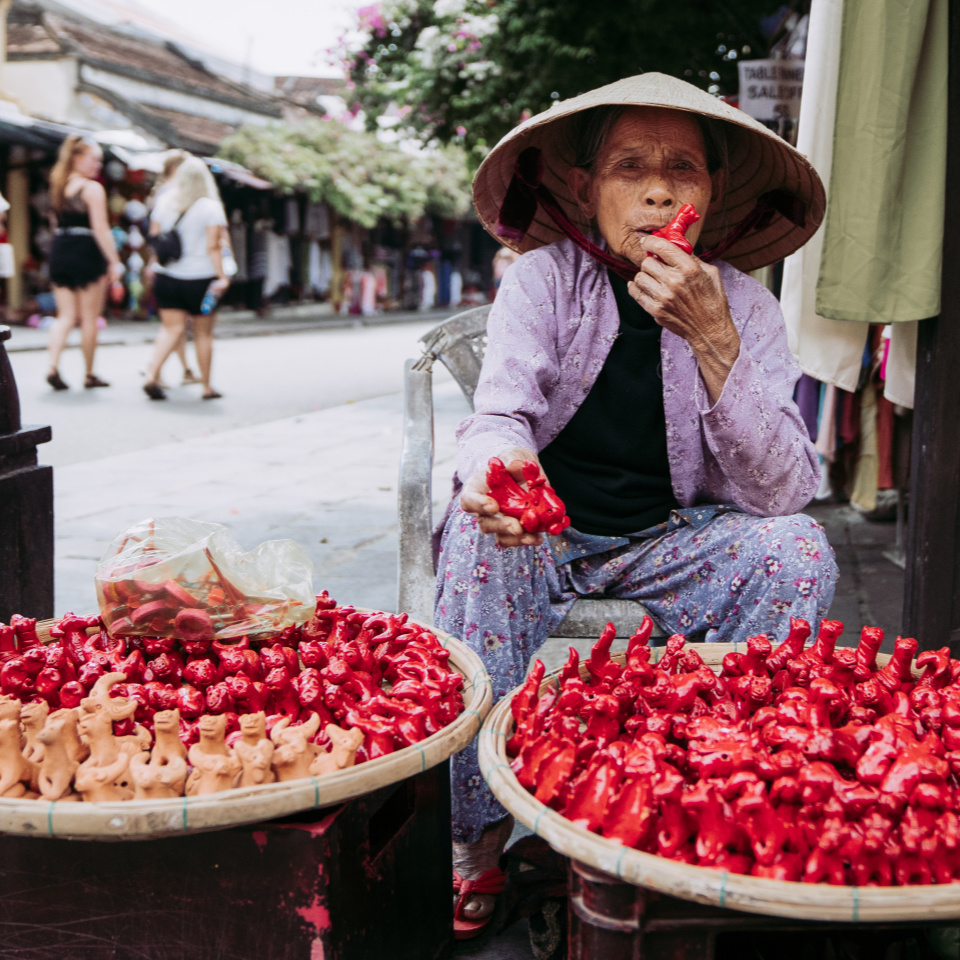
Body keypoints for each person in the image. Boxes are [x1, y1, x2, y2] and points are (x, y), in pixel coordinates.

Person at [437, 73, 838, 938]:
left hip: (671, 538)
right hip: (548, 529)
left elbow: (780, 490)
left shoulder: (745, 304)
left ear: (713, 191)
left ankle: (715, 799)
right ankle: (476, 838)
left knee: (798, 549)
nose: (659, 191)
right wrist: (500, 473)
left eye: (683, 171)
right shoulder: (544, 281)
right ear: (585, 188)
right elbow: (499, 413)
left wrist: (713, 337)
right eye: (630, 167)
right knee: (479, 543)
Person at [143, 156, 229, 401]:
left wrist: (153, 266)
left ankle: (152, 374)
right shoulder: (211, 207)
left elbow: (155, 240)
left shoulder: (164, 202)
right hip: (200, 279)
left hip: (167, 278)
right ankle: (207, 387)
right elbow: (214, 247)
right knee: (203, 334)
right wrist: (222, 276)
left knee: (171, 329)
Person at [45, 136, 123, 390]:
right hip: (86, 251)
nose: (98, 165)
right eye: (94, 159)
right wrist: (115, 261)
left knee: (65, 315)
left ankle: (52, 366)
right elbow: (101, 229)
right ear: (77, 158)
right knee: (90, 317)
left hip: (60, 249)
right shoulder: (92, 189)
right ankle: (89, 374)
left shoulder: (58, 186)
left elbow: (54, 224)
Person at [145, 150, 199, 386]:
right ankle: (154, 370)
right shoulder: (171, 194)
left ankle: (184, 369)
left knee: (175, 325)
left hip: (166, 264)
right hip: (175, 267)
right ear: (177, 170)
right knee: (175, 325)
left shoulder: (160, 193)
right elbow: (158, 235)